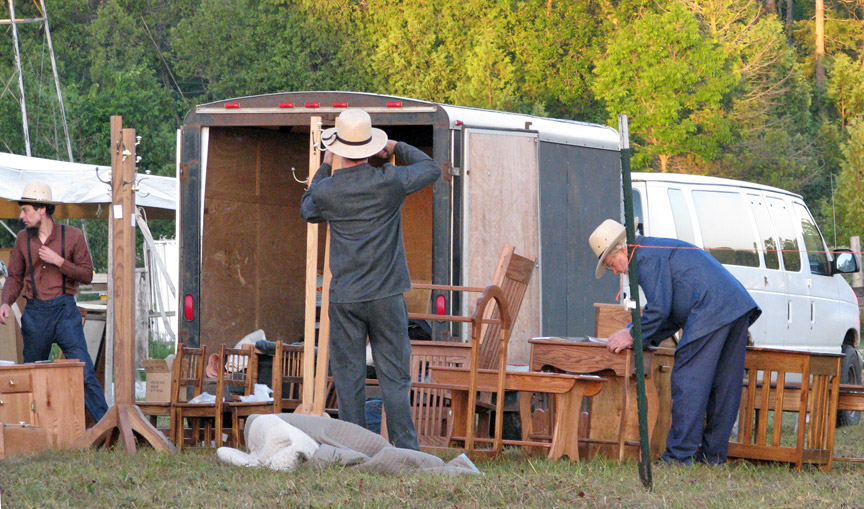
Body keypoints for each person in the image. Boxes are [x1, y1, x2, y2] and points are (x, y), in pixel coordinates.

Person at [300, 109, 440, 450]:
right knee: (394, 377)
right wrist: (394, 147)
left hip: (345, 296)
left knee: (349, 378)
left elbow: (307, 208)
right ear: (368, 147)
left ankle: (354, 450)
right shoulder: (390, 182)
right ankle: (406, 450)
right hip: (387, 293)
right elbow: (431, 169)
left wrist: (324, 164)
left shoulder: (328, 191)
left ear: (340, 151)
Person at [588, 219, 761, 465]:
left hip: (710, 309)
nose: (614, 271)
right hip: (734, 306)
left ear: (621, 250)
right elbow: (669, 312)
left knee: (688, 380)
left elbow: (659, 310)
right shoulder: (651, 251)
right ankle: (713, 457)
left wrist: (630, 335)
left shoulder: (645, 258)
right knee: (723, 385)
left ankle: (679, 456)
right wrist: (637, 332)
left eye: (610, 264)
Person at [0, 182, 109, 422]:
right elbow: (15, 276)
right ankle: (30, 429)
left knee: (84, 372)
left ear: (42, 209)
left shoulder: (72, 236)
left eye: (25, 210)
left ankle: (107, 428)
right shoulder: (21, 240)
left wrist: (59, 261)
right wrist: (5, 302)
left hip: (64, 311)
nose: (21, 216)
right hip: (36, 312)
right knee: (31, 374)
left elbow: (87, 275)